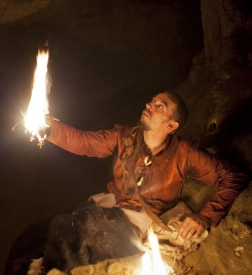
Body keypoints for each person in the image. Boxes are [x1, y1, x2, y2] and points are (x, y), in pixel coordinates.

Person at [45, 91, 248, 241]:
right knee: (55, 226)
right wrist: (48, 129)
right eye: (152, 101)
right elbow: (86, 143)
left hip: (141, 221)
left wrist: (206, 216)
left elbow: (234, 176)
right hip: (109, 205)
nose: (150, 105)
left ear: (171, 125)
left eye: (160, 106)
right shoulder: (123, 137)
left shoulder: (185, 153)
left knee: (84, 238)